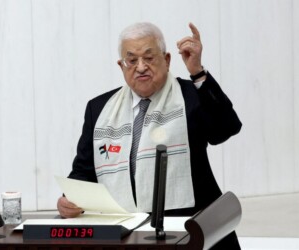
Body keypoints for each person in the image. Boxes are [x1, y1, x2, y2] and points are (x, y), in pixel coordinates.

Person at [57, 21, 242, 249]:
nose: (141, 66)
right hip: (125, 233)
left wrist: (197, 72)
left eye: (149, 57)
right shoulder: (99, 109)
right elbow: (83, 171)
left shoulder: (190, 96)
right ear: (121, 66)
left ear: (167, 60)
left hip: (189, 229)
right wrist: (69, 200)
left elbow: (225, 128)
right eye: (132, 60)